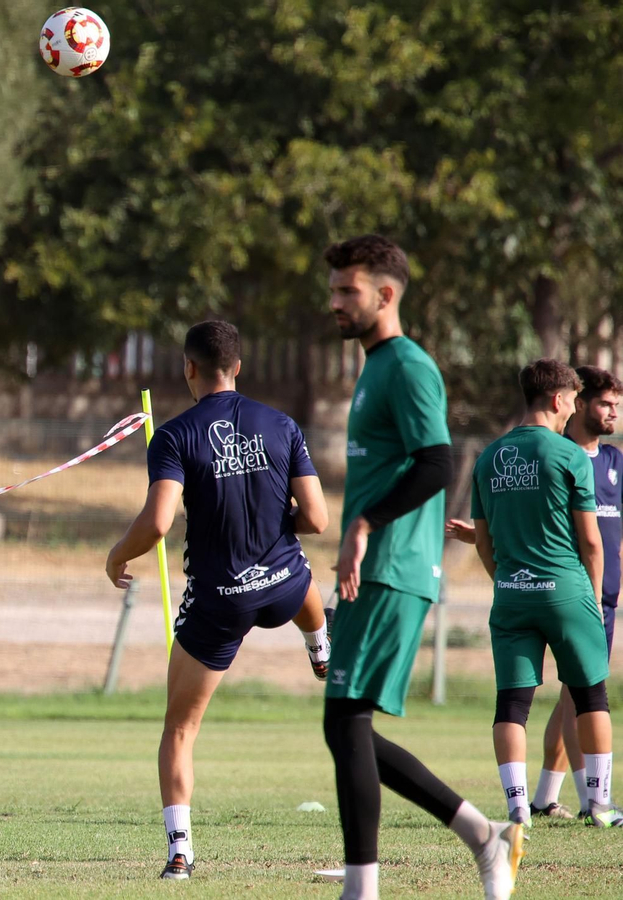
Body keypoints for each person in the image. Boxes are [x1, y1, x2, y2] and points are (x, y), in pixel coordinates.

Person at [322, 234, 518, 900]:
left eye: (347, 290)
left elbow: (437, 463)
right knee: (344, 722)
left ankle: (364, 888)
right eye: (334, 290)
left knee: (345, 720)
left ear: (386, 294)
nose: (335, 302)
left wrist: (365, 524)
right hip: (371, 567)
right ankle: (480, 835)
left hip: (393, 565)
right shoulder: (373, 366)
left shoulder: (406, 366)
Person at [105, 320, 331, 880]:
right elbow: (320, 520)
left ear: (189, 369)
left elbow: (158, 523)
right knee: (302, 582)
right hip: (283, 585)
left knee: (179, 729)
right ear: (239, 366)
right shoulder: (281, 424)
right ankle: (320, 643)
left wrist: (116, 556)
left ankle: (180, 852)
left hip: (221, 601)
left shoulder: (175, 435)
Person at [447, 364, 622, 821]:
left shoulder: (489, 458)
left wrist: (505, 581)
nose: (572, 409)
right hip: (568, 592)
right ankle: (600, 803)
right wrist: (594, 591)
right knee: (590, 697)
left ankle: (518, 808)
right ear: (556, 400)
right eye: (570, 399)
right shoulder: (567, 455)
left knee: (512, 703)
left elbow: (484, 543)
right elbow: (590, 541)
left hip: (511, 593)